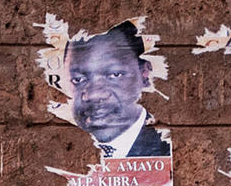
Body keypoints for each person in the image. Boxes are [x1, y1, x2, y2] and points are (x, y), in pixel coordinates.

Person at [64, 22, 171, 158]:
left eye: (114, 75)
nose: (94, 95)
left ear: (144, 74)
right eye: (78, 80)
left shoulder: (171, 147)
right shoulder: (57, 153)